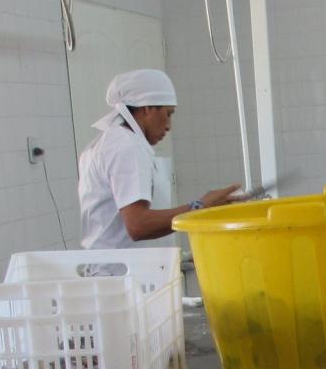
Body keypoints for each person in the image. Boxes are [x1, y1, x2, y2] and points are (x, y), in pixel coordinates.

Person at [78, 68, 240, 250]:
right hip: (125, 273)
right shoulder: (127, 146)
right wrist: (199, 207)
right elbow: (138, 226)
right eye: (168, 114)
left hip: (120, 270)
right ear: (147, 108)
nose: (169, 125)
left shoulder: (109, 141)